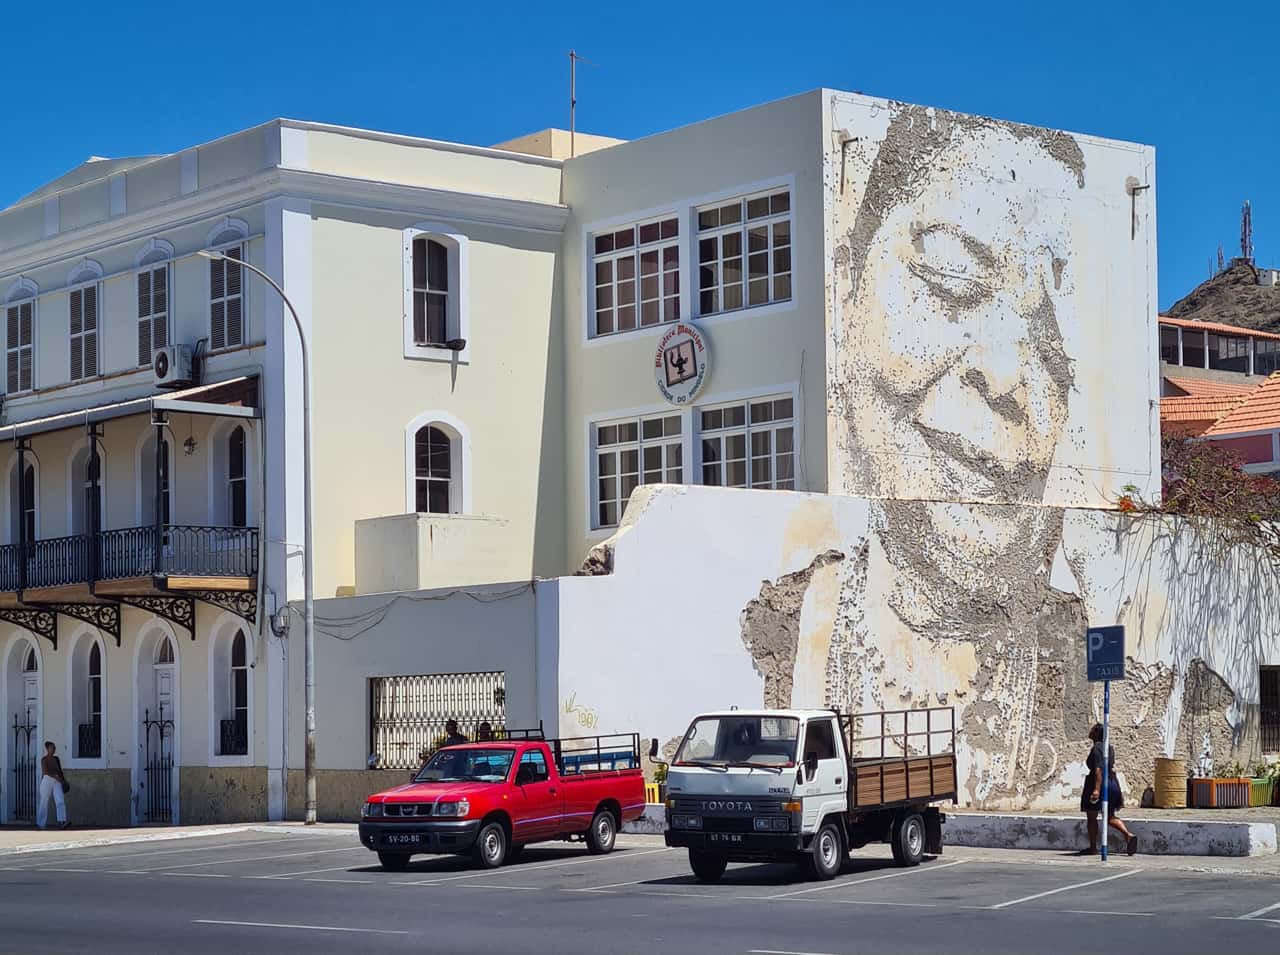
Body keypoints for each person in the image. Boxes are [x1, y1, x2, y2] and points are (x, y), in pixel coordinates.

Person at [1080, 723, 1137, 856]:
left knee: (1092, 816)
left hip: (1099, 783)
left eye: (1093, 729)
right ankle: (1128, 835)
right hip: (1112, 783)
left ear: (1096, 733)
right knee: (1109, 815)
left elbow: (1098, 769)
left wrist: (1096, 790)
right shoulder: (1109, 748)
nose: (1090, 731)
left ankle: (1093, 847)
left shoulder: (1096, 748)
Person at [37, 741, 68, 830]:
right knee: (44, 801)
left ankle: (62, 821)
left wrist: (63, 780)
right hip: (47, 780)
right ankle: (41, 823)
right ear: (47, 749)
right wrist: (55, 777)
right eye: (52, 748)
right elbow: (45, 771)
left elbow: (60, 770)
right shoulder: (44, 759)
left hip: (57, 780)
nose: (54, 749)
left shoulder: (56, 759)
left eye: (54, 748)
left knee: (60, 800)